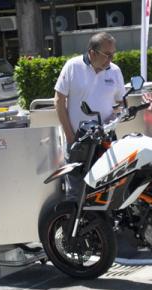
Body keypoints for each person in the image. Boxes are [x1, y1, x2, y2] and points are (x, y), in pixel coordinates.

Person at [54, 32, 125, 197]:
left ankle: (102, 223)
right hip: (78, 141)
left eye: (113, 54)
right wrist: (70, 137)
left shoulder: (115, 71)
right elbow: (58, 100)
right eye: (107, 55)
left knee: (106, 192)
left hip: (106, 141)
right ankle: (76, 222)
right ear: (92, 52)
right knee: (76, 192)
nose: (111, 59)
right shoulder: (73, 66)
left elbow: (121, 102)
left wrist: (114, 118)